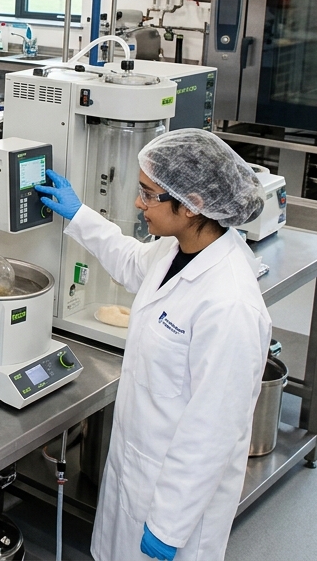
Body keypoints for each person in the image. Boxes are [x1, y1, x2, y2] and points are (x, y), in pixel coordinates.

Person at [35, 129, 271, 561]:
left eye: (148, 194)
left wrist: (167, 526)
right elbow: (130, 260)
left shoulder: (230, 305)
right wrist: (79, 214)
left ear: (192, 204)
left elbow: (212, 432)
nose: (137, 203)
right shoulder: (176, 248)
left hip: (176, 505)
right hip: (137, 467)